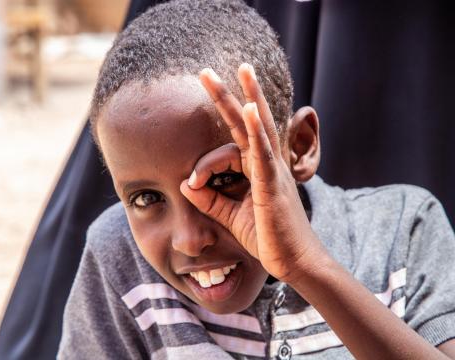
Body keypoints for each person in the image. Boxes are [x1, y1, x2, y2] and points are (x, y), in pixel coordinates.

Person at [57, 0, 455, 359]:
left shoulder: (403, 231)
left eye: (225, 179)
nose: (189, 239)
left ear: (299, 146)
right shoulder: (120, 260)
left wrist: (306, 267)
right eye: (146, 198)